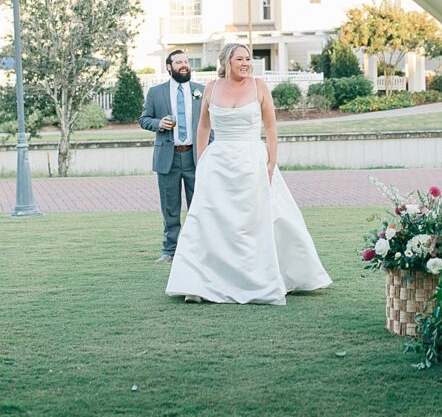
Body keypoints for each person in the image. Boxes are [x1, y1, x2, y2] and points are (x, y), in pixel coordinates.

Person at [165, 43, 332, 304]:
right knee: (208, 220)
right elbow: (203, 128)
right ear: (226, 62)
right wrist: (202, 162)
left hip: (253, 159)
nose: (245, 63)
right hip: (218, 163)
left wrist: (270, 164)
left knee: (260, 219)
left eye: (248, 59)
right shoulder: (211, 88)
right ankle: (199, 282)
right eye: (240, 58)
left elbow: (271, 129)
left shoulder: (260, 87)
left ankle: (267, 278)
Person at [140, 50, 207, 263]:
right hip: (167, 157)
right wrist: (158, 124)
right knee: (170, 208)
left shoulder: (201, 91)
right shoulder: (156, 92)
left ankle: (199, 249)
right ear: (169, 67)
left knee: (199, 206)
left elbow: (209, 125)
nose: (184, 65)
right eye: (179, 62)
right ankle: (170, 251)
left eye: (186, 61)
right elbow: (144, 119)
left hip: (195, 157)